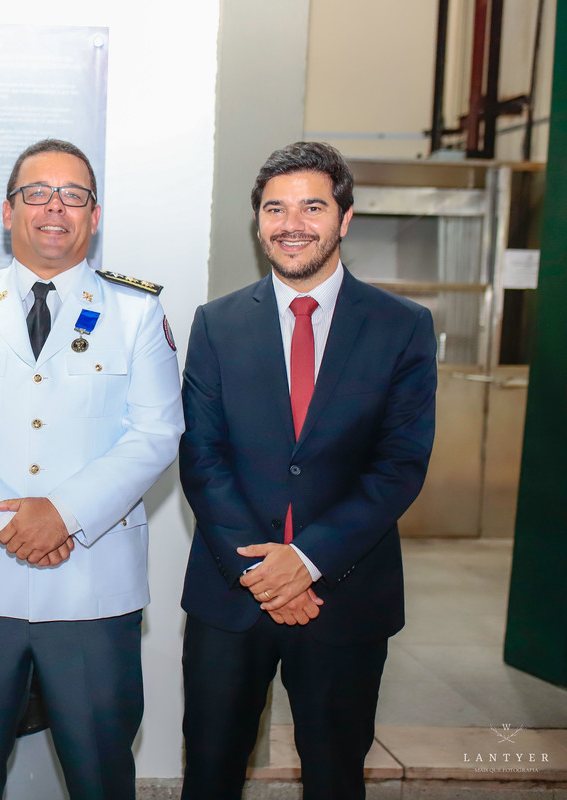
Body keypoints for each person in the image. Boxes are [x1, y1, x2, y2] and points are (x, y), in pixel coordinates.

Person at [0, 138, 184, 799]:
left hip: (93, 589)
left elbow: (157, 432)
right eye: (37, 193)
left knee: (101, 776)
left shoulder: (136, 312)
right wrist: (9, 523)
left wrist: (62, 513)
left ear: (94, 215)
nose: (54, 207)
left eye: (73, 195)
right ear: (9, 212)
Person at [178, 141, 437, 800]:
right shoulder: (216, 324)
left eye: (312, 207)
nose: (291, 224)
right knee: (209, 776)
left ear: (345, 218)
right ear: (257, 221)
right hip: (232, 596)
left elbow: (399, 465)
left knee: (334, 778)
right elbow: (202, 458)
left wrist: (308, 560)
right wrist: (268, 574)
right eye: (275, 209)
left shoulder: (402, 327)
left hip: (345, 596)